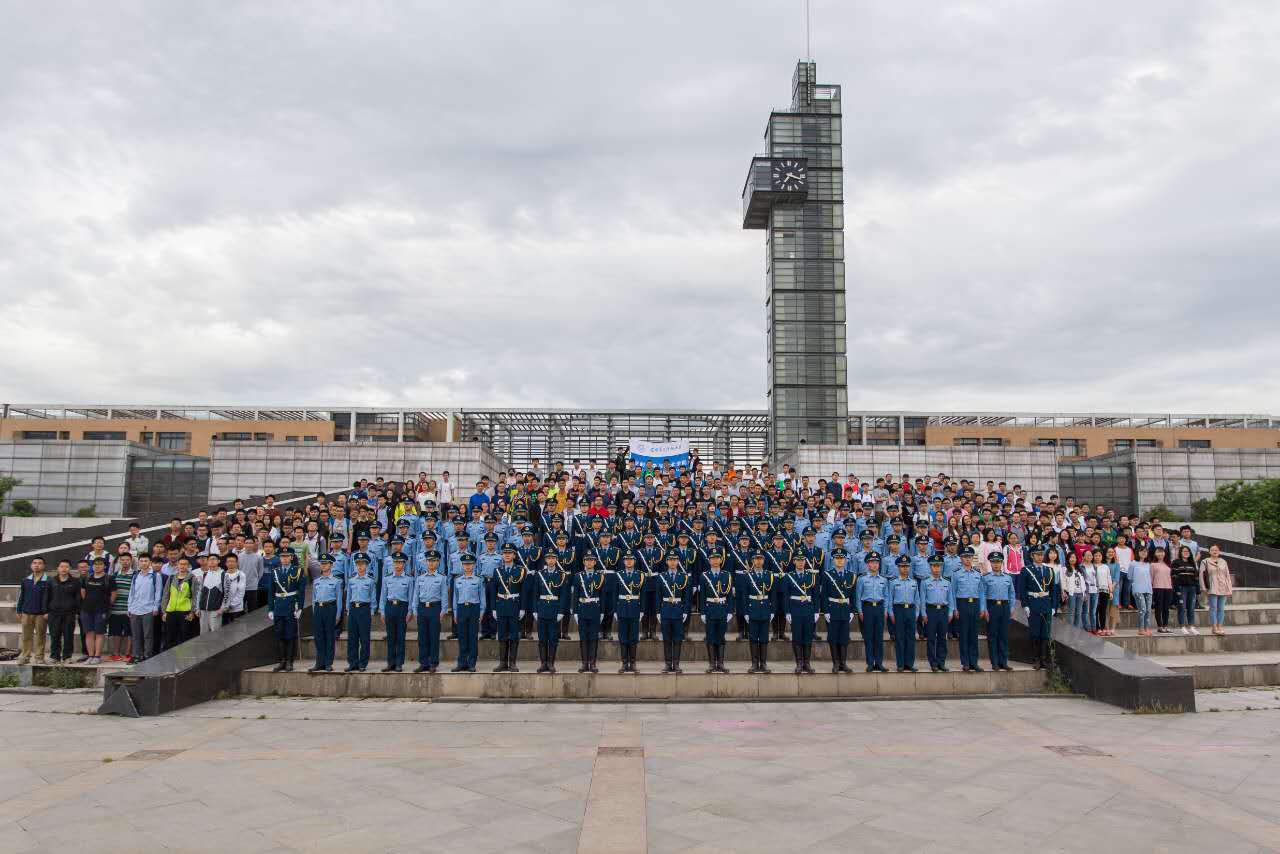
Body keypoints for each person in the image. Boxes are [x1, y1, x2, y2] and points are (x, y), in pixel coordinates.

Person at [265, 549, 305, 672]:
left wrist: (300, 607)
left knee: (290, 635)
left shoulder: (298, 571)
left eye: (287, 556)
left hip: (291, 605)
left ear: (291, 557)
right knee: (279, 634)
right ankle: (282, 660)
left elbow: (301, 591)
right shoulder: (275, 571)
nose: (285, 558)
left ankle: (289, 661)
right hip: (278, 606)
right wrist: (271, 609)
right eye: (282, 556)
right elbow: (271, 592)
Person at [819, 549, 856, 674]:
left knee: (844, 637)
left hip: (845, 609)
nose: (839, 561)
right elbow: (824, 595)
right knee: (833, 637)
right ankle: (835, 663)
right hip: (833, 608)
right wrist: (826, 611)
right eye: (837, 558)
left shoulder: (851, 575)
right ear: (833, 560)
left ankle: (843, 663)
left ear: (845, 560)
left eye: (842, 558)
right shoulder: (827, 575)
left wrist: (852, 610)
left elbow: (853, 595)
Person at [949, 548, 986, 672]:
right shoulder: (956, 574)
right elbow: (953, 592)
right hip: (962, 604)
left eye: (969, 557)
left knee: (974, 635)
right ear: (961, 559)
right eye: (965, 557)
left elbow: (981, 592)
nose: (968, 559)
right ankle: (965, 662)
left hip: (975, 604)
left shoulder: (977, 573)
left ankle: (974, 662)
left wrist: (982, 608)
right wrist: (955, 608)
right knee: (964, 635)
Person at [491, 545, 527, 673]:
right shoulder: (497, 571)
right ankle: (502, 663)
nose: (507, 555)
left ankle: (512, 663)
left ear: (514, 555)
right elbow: (493, 591)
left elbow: (523, 591)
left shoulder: (521, 570)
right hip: (501, 605)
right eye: (505, 553)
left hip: (514, 605)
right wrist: (493, 608)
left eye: (510, 553)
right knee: (502, 635)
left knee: (514, 635)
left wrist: (522, 608)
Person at [412, 553, 447, 673]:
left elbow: (444, 595)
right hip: (422, 608)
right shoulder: (420, 578)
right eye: (429, 561)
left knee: (433, 637)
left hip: (435, 608)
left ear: (438, 563)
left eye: (434, 561)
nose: (431, 563)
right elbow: (416, 595)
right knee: (422, 637)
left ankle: (433, 663)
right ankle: (423, 663)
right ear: (426, 562)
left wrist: (443, 611)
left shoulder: (441, 578)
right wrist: (415, 609)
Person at [783, 553, 819, 675]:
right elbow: (786, 595)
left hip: (808, 609)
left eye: (802, 560)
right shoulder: (789, 576)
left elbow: (815, 595)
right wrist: (787, 611)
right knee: (797, 637)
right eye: (798, 560)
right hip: (795, 609)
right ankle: (799, 663)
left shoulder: (811, 576)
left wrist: (816, 611)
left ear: (805, 561)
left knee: (808, 637)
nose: (800, 562)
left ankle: (807, 663)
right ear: (794, 561)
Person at [308, 554, 344, 673]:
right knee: (318, 637)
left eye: (326, 563)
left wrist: (338, 614)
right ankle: (319, 662)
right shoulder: (316, 581)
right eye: (322, 564)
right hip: (319, 608)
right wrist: (314, 611)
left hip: (330, 608)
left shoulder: (336, 581)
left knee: (329, 636)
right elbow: (313, 599)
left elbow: (339, 599)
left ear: (331, 565)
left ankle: (328, 663)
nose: (323, 566)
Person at [699, 551, 734, 674]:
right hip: (710, 609)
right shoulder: (704, 576)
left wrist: (730, 611)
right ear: (709, 561)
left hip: (722, 609)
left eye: (717, 558)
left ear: (721, 560)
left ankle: (721, 663)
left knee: (721, 637)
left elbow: (729, 595)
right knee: (710, 637)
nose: (714, 561)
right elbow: (702, 596)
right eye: (712, 558)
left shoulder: (727, 575)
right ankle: (712, 664)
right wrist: (702, 612)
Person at [452, 554, 487, 672]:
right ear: (462, 565)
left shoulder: (478, 579)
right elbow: (455, 598)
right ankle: (462, 663)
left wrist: (481, 612)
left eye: (470, 564)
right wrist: (455, 613)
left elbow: (482, 597)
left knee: (472, 637)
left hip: (474, 609)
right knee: (462, 637)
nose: (467, 566)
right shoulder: (457, 580)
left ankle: (471, 663)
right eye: (465, 564)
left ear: (474, 565)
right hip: (461, 608)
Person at [854, 553, 889, 672]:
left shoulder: (883, 580)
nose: (874, 565)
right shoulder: (862, 579)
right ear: (867, 564)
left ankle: (879, 663)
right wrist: (860, 611)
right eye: (872, 562)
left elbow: (886, 596)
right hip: (867, 608)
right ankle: (870, 663)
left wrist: (885, 610)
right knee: (868, 637)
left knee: (879, 637)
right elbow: (858, 596)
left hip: (879, 608)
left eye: (877, 563)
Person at [981, 552, 1015, 671]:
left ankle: (1003, 662)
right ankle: (994, 662)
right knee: (993, 636)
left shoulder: (1008, 578)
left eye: (998, 562)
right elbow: (983, 595)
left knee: (1004, 635)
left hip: (1005, 607)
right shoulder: (986, 578)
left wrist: (1011, 608)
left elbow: (1012, 594)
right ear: (990, 563)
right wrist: (985, 609)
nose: (996, 564)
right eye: (994, 562)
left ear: (1002, 563)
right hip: (992, 606)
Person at [657, 551, 690, 673]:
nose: (672, 562)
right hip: (665, 610)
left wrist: (685, 611)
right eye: (670, 560)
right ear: (666, 562)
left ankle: (676, 664)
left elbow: (687, 597)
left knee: (677, 638)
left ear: (678, 562)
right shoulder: (661, 576)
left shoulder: (684, 577)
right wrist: (658, 611)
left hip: (678, 610)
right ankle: (667, 663)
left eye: (674, 560)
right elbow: (658, 596)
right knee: (666, 638)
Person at [742, 551, 775, 674]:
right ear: (752, 561)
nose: (758, 561)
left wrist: (772, 610)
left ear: (764, 561)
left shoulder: (769, 575)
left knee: (764, 638)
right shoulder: (747, 576)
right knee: (753, 638)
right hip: (753, 609)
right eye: (756, 559)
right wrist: (746, 612)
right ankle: (754, 663)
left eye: (760, 559)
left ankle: (764, 663)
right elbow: (744, 596)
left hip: (765, 609)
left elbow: (772, 595)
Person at [379, 555, 413, 672]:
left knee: (400, 637)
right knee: (390, 637)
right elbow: (383, 596)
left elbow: (410, 596)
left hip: (402, 607)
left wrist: (410, 611)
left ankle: (399, 663)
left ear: (404, 564)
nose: (398, 565)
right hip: (389, 607)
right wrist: (382, 611)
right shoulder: (387, 578)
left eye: (400, 563)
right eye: (396, 563)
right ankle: (390, 663)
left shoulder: (409, 579)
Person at [572, 552, 605, 673]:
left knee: (594, 637)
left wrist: (602, 611)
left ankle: (593, 663)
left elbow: (602, 595)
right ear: (583, 562)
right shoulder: (578, 576)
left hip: (595, 609)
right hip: (582, 609)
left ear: (595, 562)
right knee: (583, 637)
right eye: (587, 560)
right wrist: (575, 611)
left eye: (591, 560)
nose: (589, 562)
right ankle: (584, 663)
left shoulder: (600, 576)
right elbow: (575, 595)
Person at [613, 550, 645, 673]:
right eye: (627, 560)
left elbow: (643, 595)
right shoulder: (618, 575)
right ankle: (624, 663)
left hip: (635, 608)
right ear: (624, 561)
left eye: (631, 559)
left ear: (634, 561)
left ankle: (633, 663)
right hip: (622, 608)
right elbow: (615, 595)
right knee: (622, 637)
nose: (629, 562)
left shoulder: (640, 575)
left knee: (633, 637)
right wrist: (615, 610)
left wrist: (642, 610)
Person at [126, 556, 163, 663]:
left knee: (148, 635)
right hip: (135, 609)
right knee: (136, 635)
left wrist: (156, 607)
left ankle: (147, 655)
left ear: (150, 562)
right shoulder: (136, 575)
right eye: (141, 561)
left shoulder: (156, 576)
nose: (143, 563)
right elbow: (132, 592)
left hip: (148, 609)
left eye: (146, 561)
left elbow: (158, 592)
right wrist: (129, 607)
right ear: (138, 563)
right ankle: (136, 655)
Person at [344, 553, 377, 672]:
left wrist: (372, 611)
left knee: (364, 638)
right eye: (358, 564)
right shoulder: (351, 580)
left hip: (364, 609)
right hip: (353, 608)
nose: (360, 566)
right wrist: (348, 610)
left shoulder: (370, 581)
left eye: (362, 564)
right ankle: (352, 662)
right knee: (352, 638)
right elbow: (349, 596)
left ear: (367, 565)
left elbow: (372, 597)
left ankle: (363, 663)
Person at [887, 555, 920, 672]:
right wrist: (891, 613)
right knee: (900, 638)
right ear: (898, 567)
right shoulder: (893, 582)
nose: (905, 568)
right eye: (902, 566)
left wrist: (917, 613)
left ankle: (909, 664)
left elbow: (917, 599)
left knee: (910, 638)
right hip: (898, 610)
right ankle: (900, 664)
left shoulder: (914, 582)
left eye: (906, 566)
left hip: (910, 610)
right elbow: (890, 599)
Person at [15, 558, 50, 665]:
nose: (37, 565)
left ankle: (39, 657)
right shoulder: (26, 580)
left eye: (39, 563)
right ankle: (25, 656)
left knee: (40, 636)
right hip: (26, 612)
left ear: (43, 566)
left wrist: (47, 611)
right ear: (31, 565)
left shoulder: (48, 580)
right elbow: (21, 596)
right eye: (34, 563)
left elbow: (50, 598)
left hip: (41, 614)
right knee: (26, 636)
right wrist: (19, 610)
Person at [920, 555, 952, 672]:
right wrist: (923, 613)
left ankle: (941, 662)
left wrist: (950, 613)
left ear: (942, 567)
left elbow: (950, 599)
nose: (936, 568)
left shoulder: (947, 582)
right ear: (930, 567)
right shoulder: (925, 582)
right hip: (931, 611)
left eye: (938, 566)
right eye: (934, 566)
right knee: (931, 638)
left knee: (942, 638)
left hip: (943, 611)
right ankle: (933, 663)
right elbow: (922, 599)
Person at [160, 559, 198, 652]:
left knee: (184, 636)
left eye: (185, 564)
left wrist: (192, 612)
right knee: (170, 636)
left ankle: (183, 657)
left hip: (185, 611)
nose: (182, 566)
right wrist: (164, 611)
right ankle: (170, 656)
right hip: (171, 611)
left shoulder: (192, 578)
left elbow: (195, 596)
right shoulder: (171, 578)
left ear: (188, 566)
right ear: (177, 565)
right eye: (181, 564)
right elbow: (165, 595)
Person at [47, 561, 81, 663]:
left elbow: (78, 598)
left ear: (69, 568)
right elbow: (46, 596)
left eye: (66, 566)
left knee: (68, 635)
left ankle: (67, 656)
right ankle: (54, 656)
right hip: (54, 613)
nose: (64, 569)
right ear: (58, 568)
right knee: (54, 635)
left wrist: (77, 611)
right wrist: (45, 611)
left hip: (69, 613)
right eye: (62, 566)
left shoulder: (75, 582)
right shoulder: (51, 581)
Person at [80, 557, 112, 664]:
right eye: (95, 564)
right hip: (87, 610)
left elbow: (113, 595)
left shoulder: (109, 579)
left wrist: (106, 605)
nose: (97, 566)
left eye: (100, 564)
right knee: (89, 633)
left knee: (99, 633)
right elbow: (83, 592)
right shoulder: (87, 578)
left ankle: (97, 656)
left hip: (101, 610)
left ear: (105, 566)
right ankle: (90, 655)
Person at [1199, 544, 1233, 636]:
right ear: (1209, 551)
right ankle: (1214, 627)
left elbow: (1227, 575)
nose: (1215, 551)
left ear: (1219, 551)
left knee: (1221, 608)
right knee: (1213, 608)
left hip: (1223, 587)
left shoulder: (1223, 561)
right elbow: (1201, 575)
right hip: (1212, 587)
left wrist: (1229, 588)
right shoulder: (1205, 561)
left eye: (1216, 550)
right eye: (1212, 550)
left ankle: (1220, 627)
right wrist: (1203, 587)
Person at [106, 553, 134, 661]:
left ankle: (128, 653)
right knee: (115, 632)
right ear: (119, 562)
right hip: (115, 608)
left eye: (127, 560)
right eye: (123, 560)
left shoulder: (135, 575)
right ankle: (116, 653)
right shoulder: (114, 575)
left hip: (129, 609)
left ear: (131, 561)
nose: (125, 562)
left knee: (129, 632)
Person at [1171, 545, 1201, 635]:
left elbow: (1196, 577)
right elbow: (1174, 576)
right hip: (1181, 588)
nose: (1186, 553)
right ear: (1180, 552)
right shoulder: (1176, 562)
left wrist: (1197, 589)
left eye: (1187, 551)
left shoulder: (1192, 562)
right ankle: (1182, 626)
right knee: (1182, 607)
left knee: (1191, 608)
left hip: (1192, 588)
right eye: (1184, 551)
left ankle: (1191, 626)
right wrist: (1177, 589)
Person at [195, 555, 228, 635]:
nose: (212, 561)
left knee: (215, 634)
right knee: (203, 634)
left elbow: (227, 593)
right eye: (209, 559)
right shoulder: (205, 574)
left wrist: (223, 608)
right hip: (203, 609)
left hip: (216, 609)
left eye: (214, 559)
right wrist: (197, 608)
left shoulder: (224, 574)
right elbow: (199, 592)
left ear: (218, 561)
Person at [1129, 550, 1153, 637]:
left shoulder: (1148, 564)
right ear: (1137, 552)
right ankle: (1141, 629)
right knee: (1142, 609)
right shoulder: (1133, 563)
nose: (1144, 553)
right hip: (1138, 589)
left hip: (1148, 589)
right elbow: (1129, 576)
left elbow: (1151, 577)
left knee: (1148, 610)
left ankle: (1147, 628)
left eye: (1145, 551)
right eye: (1141, 551)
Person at [1150, 546, 1174, 633]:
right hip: (1157, 588)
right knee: (1158, 607)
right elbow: (1151, 578)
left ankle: (1165, 626)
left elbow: (1171, 577)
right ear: (1155, 554)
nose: (1160, 554)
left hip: (1168, 588)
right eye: (1158, 552)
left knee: (1166, 608)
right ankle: (1160, 626)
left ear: (1165, 553)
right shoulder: (1153, 564)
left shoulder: (1168, 564)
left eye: (1162, 552)